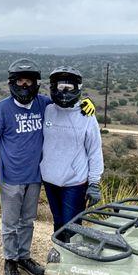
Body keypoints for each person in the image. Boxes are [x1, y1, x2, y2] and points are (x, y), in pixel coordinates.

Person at [0, 59, 96, 275]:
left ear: (36, 83)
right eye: (20, 81)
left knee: (27, 221)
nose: (25, 86)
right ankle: (10, 260)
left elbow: (65, 105)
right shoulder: (2, 108)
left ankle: (24, 256)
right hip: (11, 178)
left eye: (29, 81)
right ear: (13, 82)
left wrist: (87, 102)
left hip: (35, 178)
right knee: (10, 223)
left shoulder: (42, 104)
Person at [40, 66, 104, 242]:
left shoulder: (86, 116)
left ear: (78, 88)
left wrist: (94, 183)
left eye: (69, 87)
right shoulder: (47, 110)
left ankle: (74, 261)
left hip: (75, 183)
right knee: (58, 222)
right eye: (60, 87)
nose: (64, 92)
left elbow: (94, 151)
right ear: (53, 87)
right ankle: (60, 257)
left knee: (73, 226)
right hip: (50, 179)